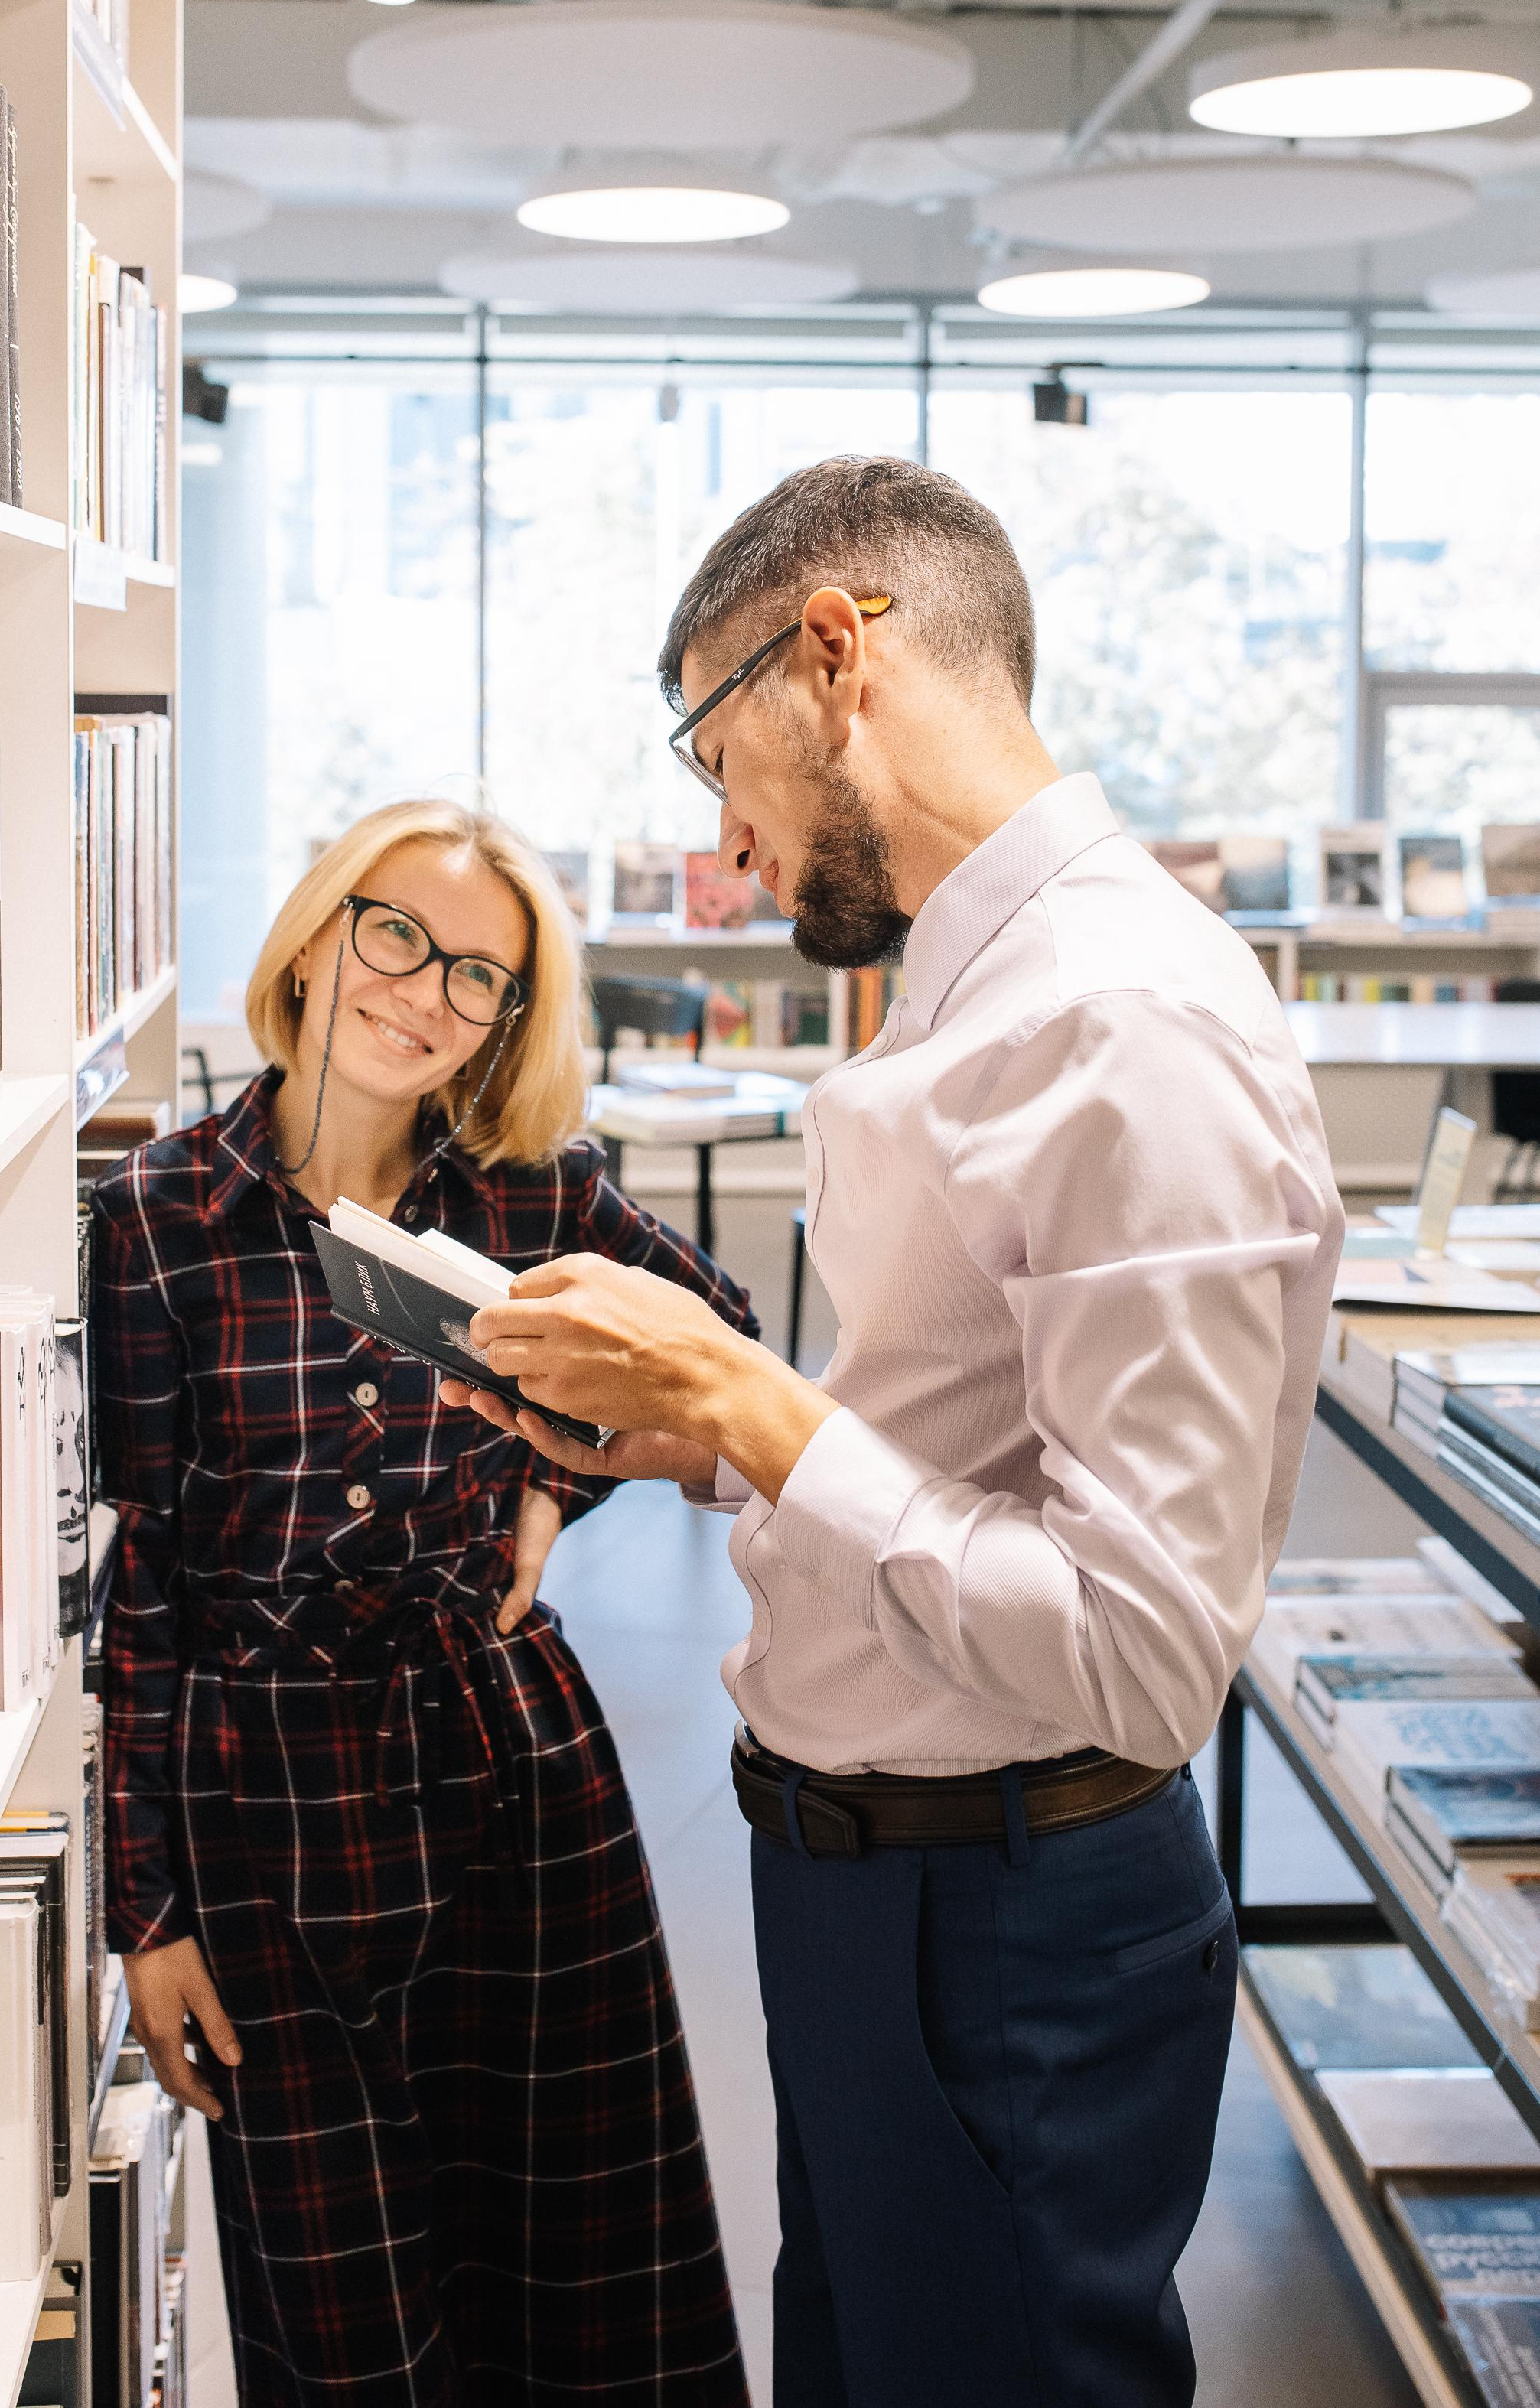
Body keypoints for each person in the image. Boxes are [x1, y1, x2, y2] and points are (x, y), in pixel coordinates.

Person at [449, 457, 1343, 2408]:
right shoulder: (974, 972)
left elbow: (1139, 1646)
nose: (725, 839)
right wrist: (701, 1433)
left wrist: (756, 1403)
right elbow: (973, 1422)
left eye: (717, 756)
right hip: (878, 1887)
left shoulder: (1121, 1021)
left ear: (835, 651)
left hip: (1001, 1911)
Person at [90, 796, 754, 2408]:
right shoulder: (159, 1222)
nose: (422, 991)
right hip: (270, 1811)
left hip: (513, 1770)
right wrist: (144, 1913)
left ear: (503, 1020)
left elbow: (726, 1355)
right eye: (394, 934)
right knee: (346, 2325)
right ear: (311, 944)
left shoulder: (538, 1199)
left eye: (477, 975)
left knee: (579, 2288)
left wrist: (557, 1478)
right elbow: (140, 1588)